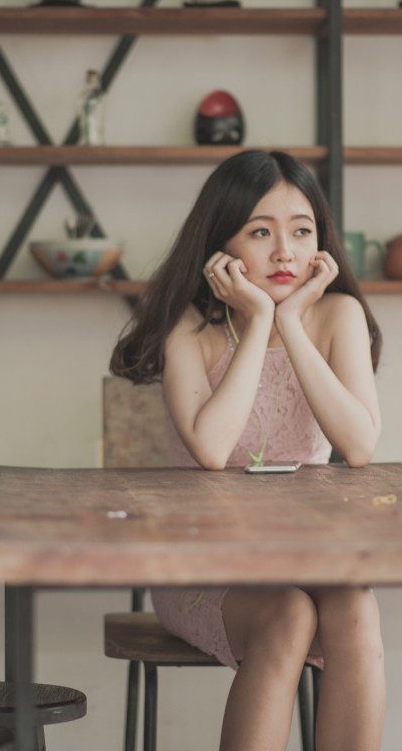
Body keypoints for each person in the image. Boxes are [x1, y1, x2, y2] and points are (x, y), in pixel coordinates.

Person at [110, 149, 384, 751]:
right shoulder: (189, 326)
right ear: (221, 245)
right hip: (204, 565)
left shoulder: (339, 316)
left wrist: (292, 323)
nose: (285, 252)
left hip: (304, 553)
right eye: (261, 232)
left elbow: (360, 444)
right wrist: (260, 320)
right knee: (288, 615)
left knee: (356, 603)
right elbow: (212, 448)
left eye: (302, 232)